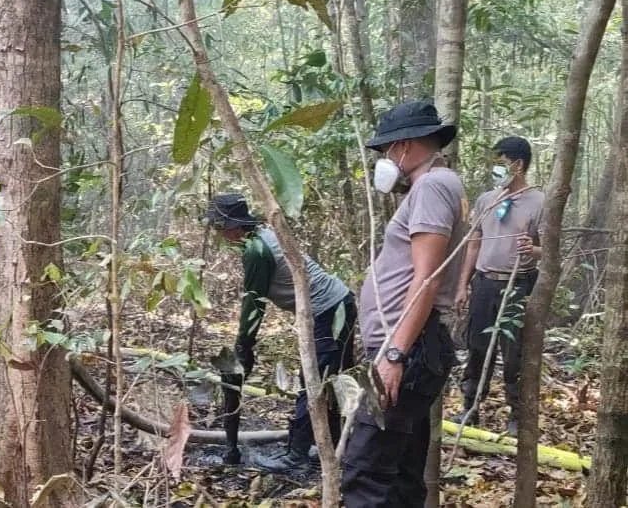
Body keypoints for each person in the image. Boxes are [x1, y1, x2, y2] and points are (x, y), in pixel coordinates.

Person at [341, 101, 465, 507]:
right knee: (401, 476)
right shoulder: (435, 187)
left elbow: (426, 277)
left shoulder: (432, 186)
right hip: (412, 347)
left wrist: (394, 354)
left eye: (384, 151)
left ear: (404, 146)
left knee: (365, 472)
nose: (383, 161)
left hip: (407, 349)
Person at [206, 193, 357, 473]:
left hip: (330, 311)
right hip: (338, 305)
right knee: (329, 381)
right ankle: (336, 446)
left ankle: (297, 454)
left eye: (219, 227)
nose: (218, 234)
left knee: (313, 381)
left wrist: (244, 346)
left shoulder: (256, 249)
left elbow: (254, 303)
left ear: (233, 226)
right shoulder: (258, 238)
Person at [453, 137, 542, 436]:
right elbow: (474, 244)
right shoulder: (486, 200)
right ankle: (470, 407)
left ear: (518, 165)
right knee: (477, 349)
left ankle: (517, 414)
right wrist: (463, 285)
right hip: (484, 284)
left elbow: (550, 252)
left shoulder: (540, 202)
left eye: (502, 163)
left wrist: (533, 250)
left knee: (514, 354)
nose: (497, 169)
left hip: (517, 286)